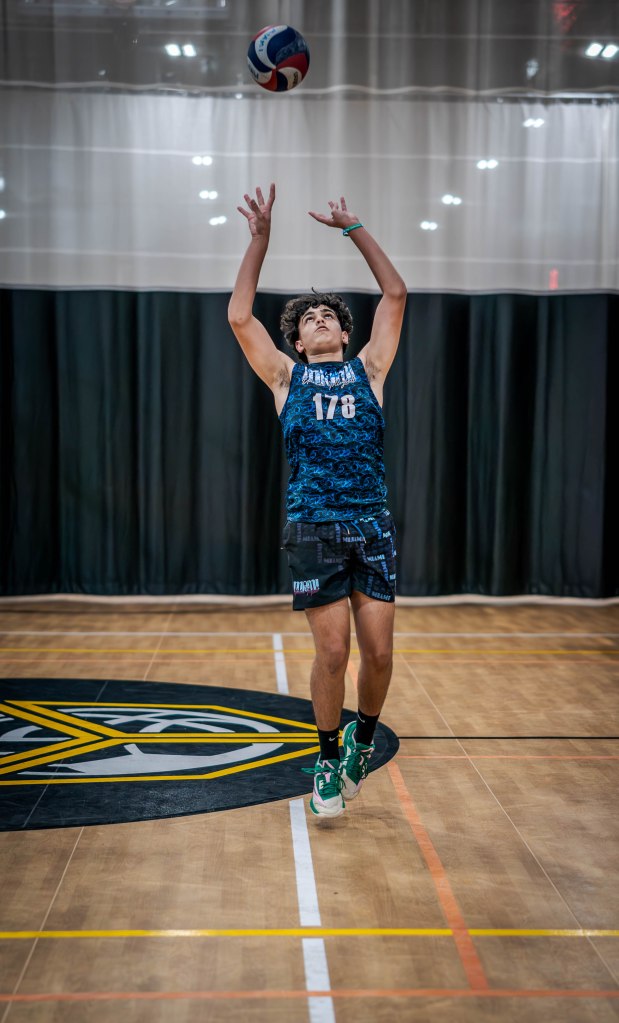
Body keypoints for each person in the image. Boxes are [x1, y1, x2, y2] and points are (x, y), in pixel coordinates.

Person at [228, 183, 406, 820]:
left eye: (329, 314)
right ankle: (327, 759)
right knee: (333, 654)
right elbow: (240, 318)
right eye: (309, 319)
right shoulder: (286, 378)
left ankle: (363, 738)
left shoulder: (370, 371)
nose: (321, 319)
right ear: (299, 343)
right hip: (313, 528)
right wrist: (260, 239)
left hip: (371, 525)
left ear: (345, 333)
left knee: (379, 656)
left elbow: (395, 294)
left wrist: (353, 228)